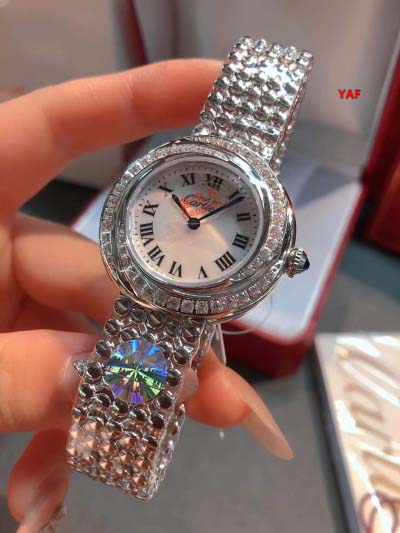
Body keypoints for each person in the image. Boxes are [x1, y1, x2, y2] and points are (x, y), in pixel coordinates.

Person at [0, 59, 293, 532]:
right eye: (189, 212)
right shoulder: (154, 199)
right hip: (145, 289)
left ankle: (114, 454)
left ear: (278, 257)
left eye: (199, 218)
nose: (193, 220)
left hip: (178, 303)